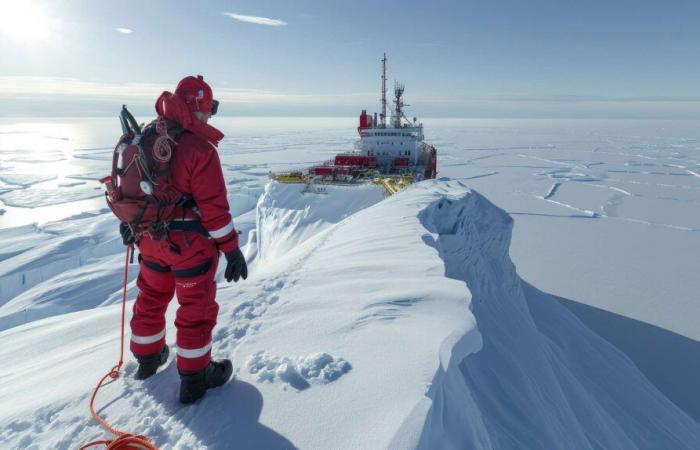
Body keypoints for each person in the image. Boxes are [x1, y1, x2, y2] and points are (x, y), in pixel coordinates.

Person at [128, 75, 248, 404]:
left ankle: (148, 359)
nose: (210, 118)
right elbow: (214, 211)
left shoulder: (148, 135)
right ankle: (195, 378)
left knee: (151, 297)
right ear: (199, 109)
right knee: (195, 309)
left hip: (150, 239)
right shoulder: (199, 149)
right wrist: (232, 249)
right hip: (190, 246)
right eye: (209, 111)